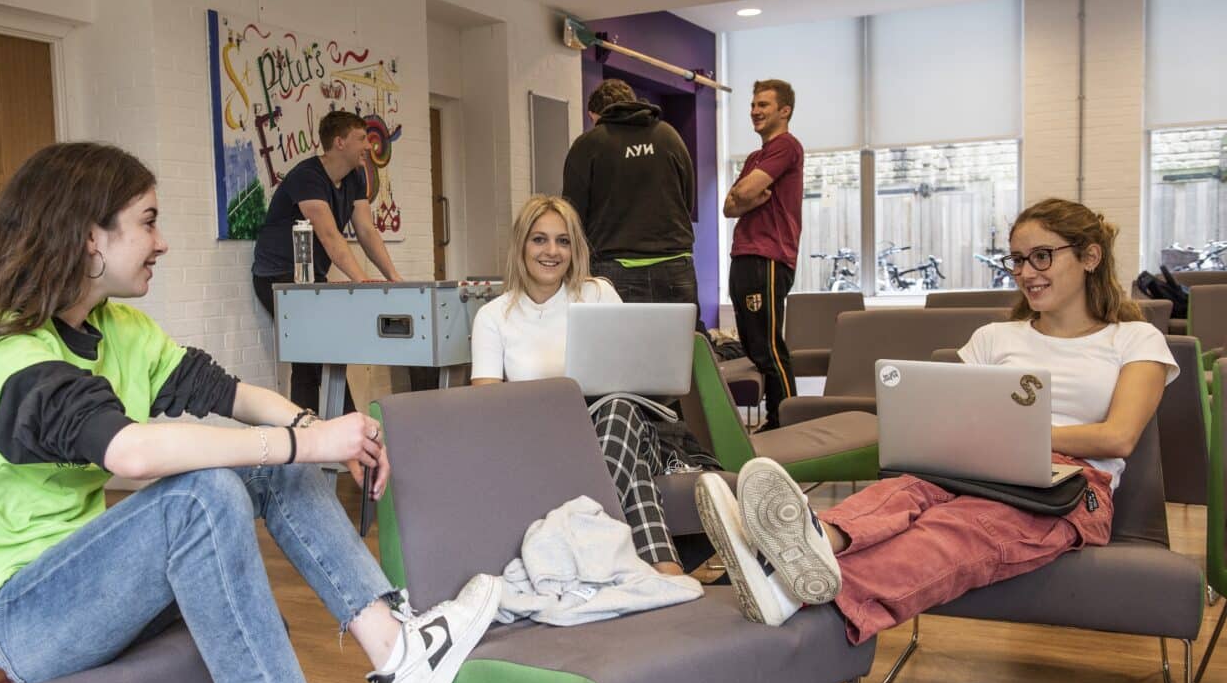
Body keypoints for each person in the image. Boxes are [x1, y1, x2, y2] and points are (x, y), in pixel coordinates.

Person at [0, 142, 500, 683]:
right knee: (206, 490)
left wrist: (324, 431)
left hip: (76, 586)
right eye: (147, 222)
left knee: (267, 459)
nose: (163, 242)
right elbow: (130, 452)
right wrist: (304, 440)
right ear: (90, 237)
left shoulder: (114, 327)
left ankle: (397, 650)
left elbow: (230, 393)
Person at [696, 198, 1177, 640]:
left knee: (963, 527)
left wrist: (1024, 437)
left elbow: (1120, 437)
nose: (1026, 272)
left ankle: (791, 586)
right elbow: (951, 417)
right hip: (983, 465)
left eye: (1041, 257)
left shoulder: (1133, 339)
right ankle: (812, 537)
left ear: (1089, 257)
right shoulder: (995, 337)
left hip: (1072, 487)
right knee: (904, 490)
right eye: (1017, 259)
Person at [470, 194, 719, 576]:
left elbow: (633, 376)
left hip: (629, 431)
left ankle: (583, 555)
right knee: (627, 465)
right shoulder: (494, 316)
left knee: (617, 409)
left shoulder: (597, 293)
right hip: (546, 447)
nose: (552, 251)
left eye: (563, 240)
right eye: (539, 239)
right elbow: (486, 407)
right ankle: (662, 567)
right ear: (521, 244)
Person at [252, 110, 404, 413]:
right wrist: (362, 282)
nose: (368, 145)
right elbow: (330, 237)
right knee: (314, 353)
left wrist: (393, 277)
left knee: (324, 351)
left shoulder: (355, 176)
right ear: (339, 142)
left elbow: (365, 229)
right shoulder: (307, 177)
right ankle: (327, 437)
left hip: (310, 279)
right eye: (361, 138)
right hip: (276, 278)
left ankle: (338, 437)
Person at [562, 78, 699, 317]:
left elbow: (572, 215)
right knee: (679, 349)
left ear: (593, 115)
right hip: (675, 266)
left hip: (614, 269)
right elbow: (687, 199)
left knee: (620, 351)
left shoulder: (589, 144)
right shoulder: (669, 136)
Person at [724, 79, 803, 431]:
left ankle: (785, 422)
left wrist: (745, 194)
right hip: (744, 254)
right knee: (755, 347)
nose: (755, 111)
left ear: (784, 110)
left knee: (769, 347)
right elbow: (729, 205)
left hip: (768, 257)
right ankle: (776, 421)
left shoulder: (785, 146)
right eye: (753, 105)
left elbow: (746, 191)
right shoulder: (757, 157)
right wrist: (744, 195)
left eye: (763, 105)